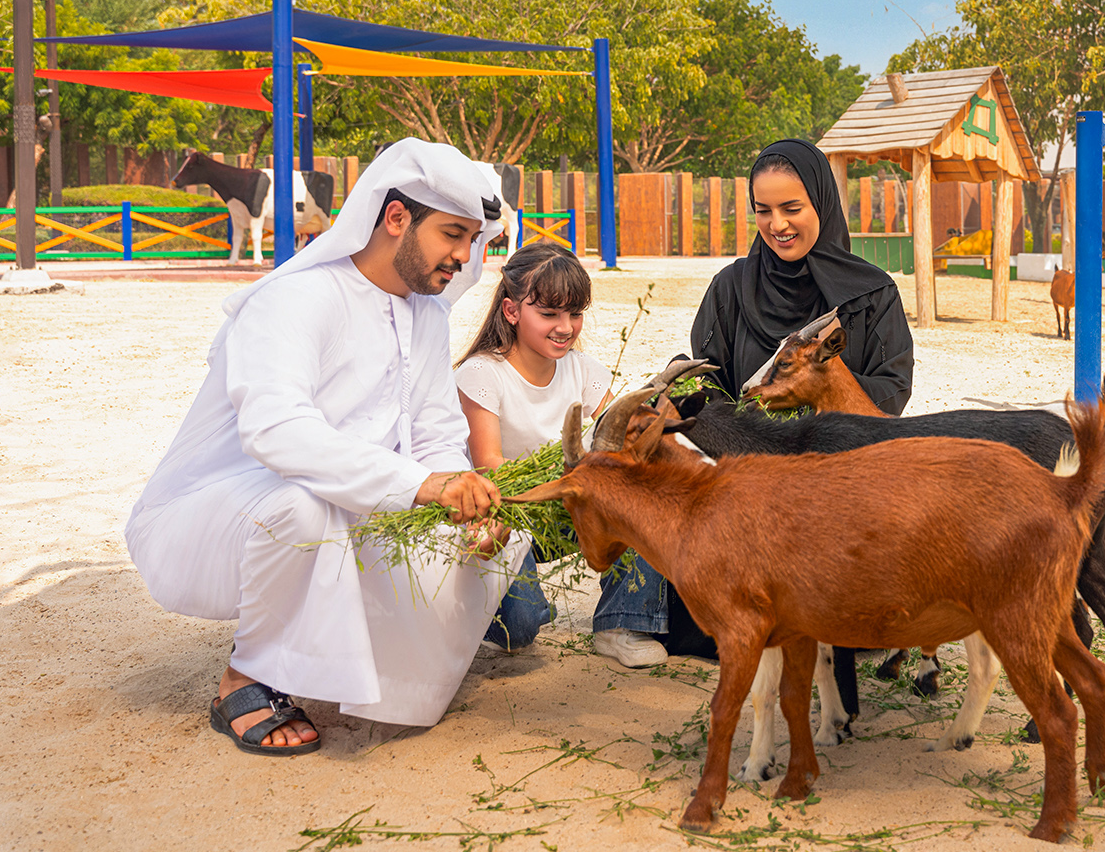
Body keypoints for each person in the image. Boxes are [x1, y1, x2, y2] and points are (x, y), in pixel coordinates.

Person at [125, 138, 522, 756]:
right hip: (221, 514)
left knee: (493, 533)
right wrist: (422, 486)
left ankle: (364, 670)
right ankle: (244, 677)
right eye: (453, 235)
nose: (465, 257)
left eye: (474, 240)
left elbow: (438, 433)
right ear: (396, 219)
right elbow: (277, 430)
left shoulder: (426, 315)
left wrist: (461, 494)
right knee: (309, 510)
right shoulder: (296, 300)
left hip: (353, 502)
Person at [593, 137, 916, 667]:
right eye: (762, 211)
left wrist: (812, 396)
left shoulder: (870, 295)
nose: (777, 224)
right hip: (744, 474)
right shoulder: (731, 287)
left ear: (821, 204)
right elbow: (710, 379)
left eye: (792, 208)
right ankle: (628, 617)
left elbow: (891, 388)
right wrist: (711, 407)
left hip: (832, 474)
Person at [453, 242, 611, 653]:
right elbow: (490, 465)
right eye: (549, 314)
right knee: (518, 634)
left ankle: (623, 619)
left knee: (641, 490)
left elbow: (615, 438)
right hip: (510, 515)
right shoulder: (482, 374)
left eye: (574, 313)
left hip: (568, 510)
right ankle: (502, 614)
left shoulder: (585, 370)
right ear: (511, 311)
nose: (566, 327)